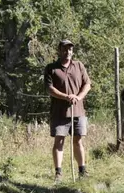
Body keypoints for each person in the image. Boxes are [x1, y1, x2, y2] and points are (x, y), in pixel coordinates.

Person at [44, 39, 92, 181]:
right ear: (59, 50)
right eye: (65, 49)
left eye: (70, 49)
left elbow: (87, 84)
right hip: (59, 112)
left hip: (78, 111)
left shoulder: (79, 66)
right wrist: (66, 97)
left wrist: (78, 97)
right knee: (59, 141)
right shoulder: (51, 68)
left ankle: (82, 171)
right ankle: (58, 173)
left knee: (78, 141)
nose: (68, 52)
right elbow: (50, 89)